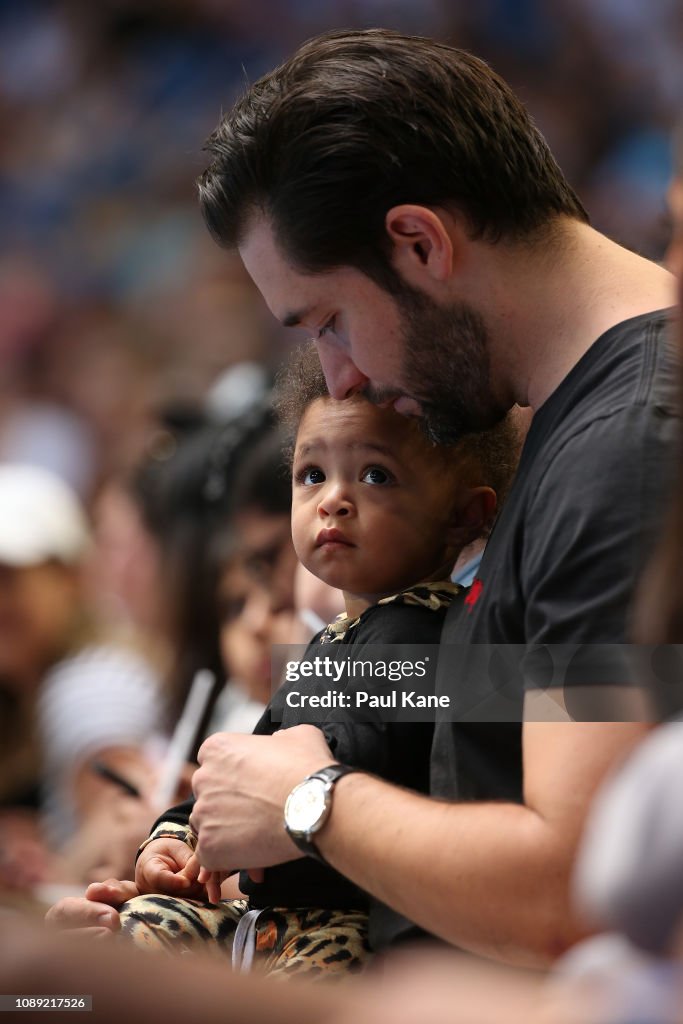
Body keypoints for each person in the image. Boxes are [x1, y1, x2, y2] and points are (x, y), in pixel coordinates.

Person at [49, 27, 676, 968]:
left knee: (38, 985)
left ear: (419, 243)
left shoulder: (623, 448)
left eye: (330, 324)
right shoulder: (580, 426)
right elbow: (491, 719)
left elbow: (580, 893)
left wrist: (310, 802)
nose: (336, 383)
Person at [112, 346, 518, 976]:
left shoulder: (420, 632)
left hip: (346, 923)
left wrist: (237, 813)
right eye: (312, 475)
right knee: (130, 933)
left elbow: (341, 756)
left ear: (464, 514)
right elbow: (252, 761)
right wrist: (175, 836)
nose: (334, 500)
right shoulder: (332, 641)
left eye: (376, 475)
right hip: (270, 916)